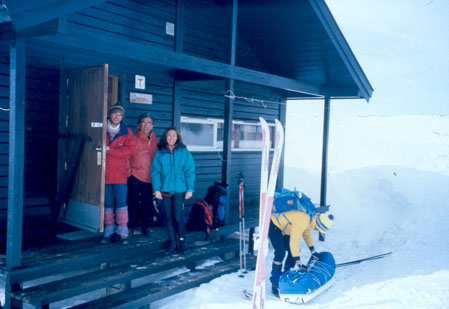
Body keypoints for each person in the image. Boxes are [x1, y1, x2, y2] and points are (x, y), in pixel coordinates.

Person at [150, 127, 195, 254]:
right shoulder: (159, 153)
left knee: (178, 217)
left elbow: (189, 171)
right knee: (169, 218)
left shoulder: (184, 152)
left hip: (180, 190)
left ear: (177, 137)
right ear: (165, 137)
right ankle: (173, 243)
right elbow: (155, 173)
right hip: (165, 191)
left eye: (174, 135)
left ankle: (182, 243)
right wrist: (156, 190)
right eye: (169, 135)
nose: (171, 138)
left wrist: (190, 189)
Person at [268, 211, 334, 297]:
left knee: (294, 252)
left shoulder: (309, 220)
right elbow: (294, 242)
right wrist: (298, 262)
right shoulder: (303, 221)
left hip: (285, 229)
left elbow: (307, 234)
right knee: (280, 252)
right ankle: (275, 283)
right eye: (319, 229)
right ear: (318, 224)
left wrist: (313, 251)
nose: (318, 231)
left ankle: (286, 275)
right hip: (274, 225)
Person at [101, 104, 136, 245]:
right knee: (108, 203)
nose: (117, 116)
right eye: (115, 113)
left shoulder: (126, 132)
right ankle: (109, 231)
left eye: (120, 115)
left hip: (121, 174)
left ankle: (122, 232)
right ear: (110, 115)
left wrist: (111, 151)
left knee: (121, 203)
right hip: (104, 174)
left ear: (122, 117)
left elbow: (130, 151)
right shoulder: (102, 129)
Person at [128, 113, 159, 237]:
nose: (146, 125)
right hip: (134, 175)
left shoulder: (156, 142)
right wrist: (129, 173)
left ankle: (146, 227)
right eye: (144, 122)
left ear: (152, 126)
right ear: (139, 125)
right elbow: (127, 157)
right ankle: (131, 226)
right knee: (132, 201)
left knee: (147, 202)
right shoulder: (133, 139)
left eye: (149, 123)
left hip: (149, 177)